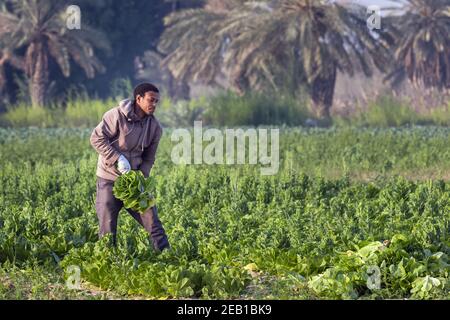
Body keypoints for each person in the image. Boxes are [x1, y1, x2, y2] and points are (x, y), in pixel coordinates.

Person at [90, 82, 170, 251]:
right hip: (109, 179)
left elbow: (149, 158)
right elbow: (96, 138)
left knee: (153, 222)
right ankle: (107, 264)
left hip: (133, 184)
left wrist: (140, 178)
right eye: (151, 100)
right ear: (139, 98)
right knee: (108, 228)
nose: (154, 105)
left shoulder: (154, 127)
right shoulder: (116, 116)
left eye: (157, 101)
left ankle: (167, 257)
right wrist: (117, 157)